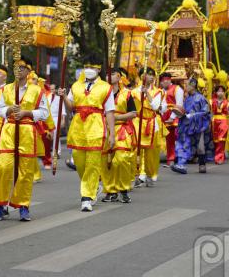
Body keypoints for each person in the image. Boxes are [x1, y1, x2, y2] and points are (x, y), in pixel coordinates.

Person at [0, 57, 48, 221]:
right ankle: (1, 205)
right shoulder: (5, 89)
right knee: (3, 167)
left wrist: (27, 113)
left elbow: (44, 113)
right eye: (16, 67)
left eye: (22, 67)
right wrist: (9, 109)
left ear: (29, 71)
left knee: (26, 170)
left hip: (27, 130)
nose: (19, 70)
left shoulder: (37, 90)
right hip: (9, 129)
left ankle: (23, 205)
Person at [59, 55, 116, 211]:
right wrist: (64, 96)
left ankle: (87, 197)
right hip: (78, 126)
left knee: (92, 162)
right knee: (78, 160)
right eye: (86, 66)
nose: (88, 70)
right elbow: (71, 106)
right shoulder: (76, 86)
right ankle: (93, 184)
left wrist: (112, 134)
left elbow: (110, 111)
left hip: (96, 126)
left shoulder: (106, 87)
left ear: (98, 69)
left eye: (92, 67)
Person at [101, 68, 136, 203]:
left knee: (121, 159)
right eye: (107, 74)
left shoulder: (127, 94)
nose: (109, 76)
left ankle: (123, 189)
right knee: (105, 162)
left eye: (112, 74)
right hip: (105, 129)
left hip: (122, 129)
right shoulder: (102, 93)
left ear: (119, 77)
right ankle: (110, 191)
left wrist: (115, 118)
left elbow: (133, 113)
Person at [132, 67, 163, 186]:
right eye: (148, 74)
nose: (151, 77)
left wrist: (147, 93)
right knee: (136, 150)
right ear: (141, 76)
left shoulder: (158, 91)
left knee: (151, 152)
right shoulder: (134, 92)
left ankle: (150, 174)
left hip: (151, 123)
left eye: (152, 75)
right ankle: (136, 174)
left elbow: (155, 106)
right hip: (137, 122)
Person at [172, 77, 210, 174]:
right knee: (185, 143)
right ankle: (181, 164)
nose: (185, 87)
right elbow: (184, 110)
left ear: (193, 85)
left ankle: (202, 164)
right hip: (187, 125)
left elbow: (206, 111)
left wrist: (193, 115)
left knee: (200, 146)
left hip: (198, 125)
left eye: (187, 85)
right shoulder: (187, 98)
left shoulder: (201, 98)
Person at [159, 72, 183, 167]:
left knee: (177, 137)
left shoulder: (177, 89)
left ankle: (179, 158)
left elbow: (179, 104)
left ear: (169, 80)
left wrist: (172, 117)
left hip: (176, 116)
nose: (163, 83)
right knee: (169, 139)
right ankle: (170, 158)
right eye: (162, 81)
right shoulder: (160, 91)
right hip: (164, 116)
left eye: (165, 80)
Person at [211, 85, 229, 165]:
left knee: (221, 139)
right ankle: (221, 155)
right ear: (216, 92)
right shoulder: (211, 101)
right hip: (214, 121)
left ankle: (218, 158)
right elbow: (209, 112)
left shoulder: (228, 102)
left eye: (222, 91)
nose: (220, 93)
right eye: (218, 91)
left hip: (224, 121)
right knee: (215, 140)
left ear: (224, 92)